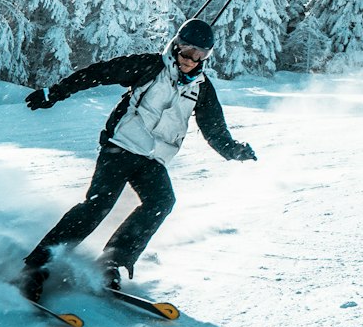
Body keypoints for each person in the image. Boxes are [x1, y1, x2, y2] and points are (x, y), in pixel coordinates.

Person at [18, 17, 257, 302]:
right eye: (187, 51)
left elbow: (214, 128)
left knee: (161, 202)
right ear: (176, 45)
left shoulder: (202, 88)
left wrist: (233, 150)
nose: (191, 60)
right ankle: (36, 266)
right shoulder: (150, 66)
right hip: (120, 148)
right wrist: (56, 92)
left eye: (200, 55)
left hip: (152, 159)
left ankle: (113, 260)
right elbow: (99, 72)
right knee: (98, 206)